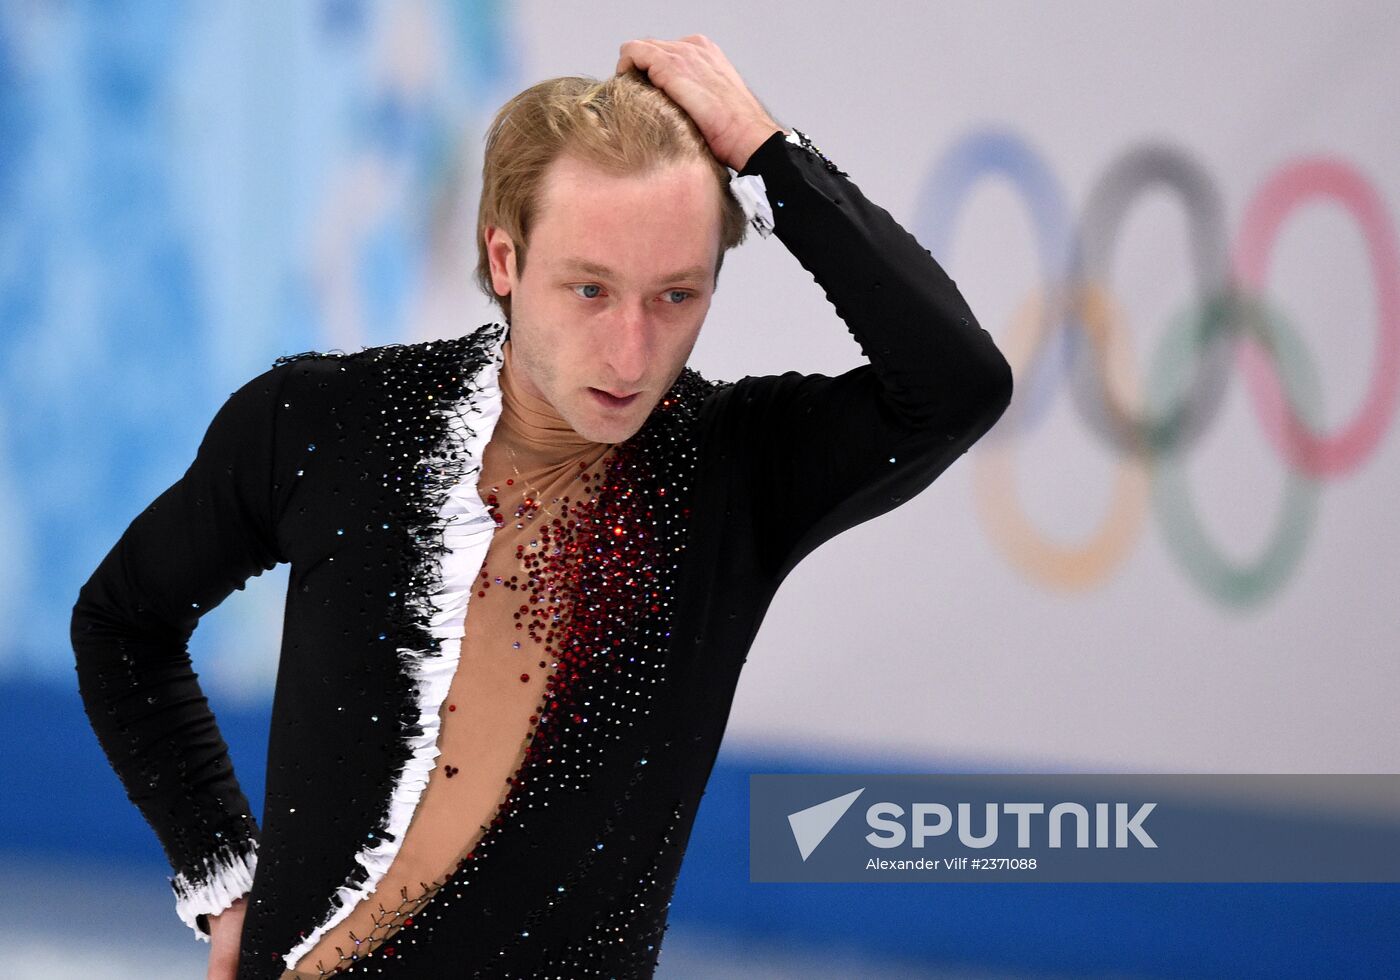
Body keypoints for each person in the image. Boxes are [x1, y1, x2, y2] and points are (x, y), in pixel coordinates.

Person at [71, 34, 1012, 980]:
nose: (631, 353)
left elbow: (959, 383)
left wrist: (765, 150)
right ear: (505, 256)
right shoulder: (326, 424)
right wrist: (222, 872)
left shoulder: (736, 470)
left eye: (676, 295)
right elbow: (122, 622)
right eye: (590, 289)